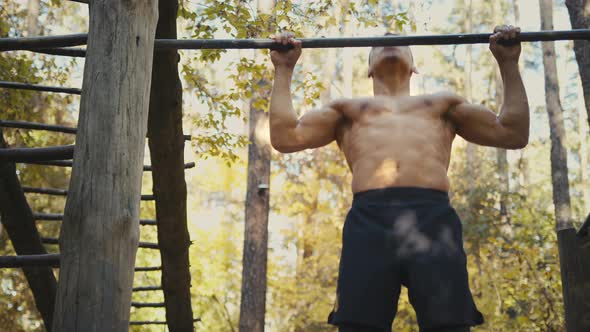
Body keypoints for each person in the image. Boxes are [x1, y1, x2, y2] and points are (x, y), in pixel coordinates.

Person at [268, 25, 529, 332]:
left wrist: (508, 63)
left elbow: (512, 133)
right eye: (379, 43)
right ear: (367, 68)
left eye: (400, 42)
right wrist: (284, 69)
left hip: (432, 220)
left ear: (415, 65)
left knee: (449, 324)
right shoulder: (347, 109)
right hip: (369, 222)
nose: (390, 42)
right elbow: (285, 137)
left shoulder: (442, 104)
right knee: (358, 325)